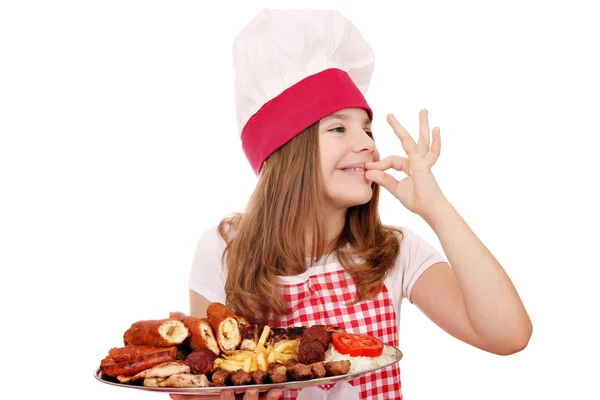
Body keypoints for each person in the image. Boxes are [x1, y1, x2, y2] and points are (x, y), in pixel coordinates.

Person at [173, 8, 532, 400]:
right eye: (339, 128)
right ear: (288, 150)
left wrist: (437, 209)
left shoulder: (395, 251)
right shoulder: (224, 249)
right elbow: (195, 383)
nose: (367, 143)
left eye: (367, 128)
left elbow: (508, 335)